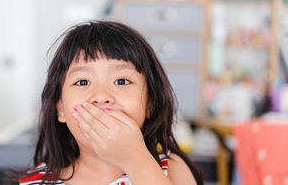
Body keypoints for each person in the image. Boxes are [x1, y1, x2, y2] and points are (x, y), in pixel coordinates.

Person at [19, 20, 203, 185]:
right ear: (61, 109)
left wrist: (135, 159)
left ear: (150, 104)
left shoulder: (171, 168)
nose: (101, 96)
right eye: (82, 82)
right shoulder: (36, 181)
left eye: (121, 81)